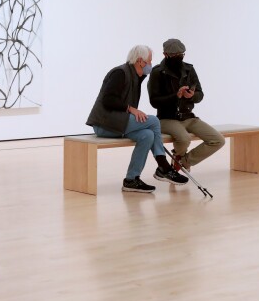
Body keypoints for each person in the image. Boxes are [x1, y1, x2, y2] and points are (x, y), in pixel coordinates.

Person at [86, 45, 188, 193]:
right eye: (150, 61)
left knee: (147, 135)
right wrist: (131, 109)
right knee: (153, 121)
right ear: (141, 61)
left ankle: (131, 179)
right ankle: (163, 166)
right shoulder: (120, 73)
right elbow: (108, 100)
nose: (151, 65)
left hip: (118, 124)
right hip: (105, 124)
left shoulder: (136, 76)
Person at [147, 38, 225, 171]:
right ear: (165, 54)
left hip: (189, 117)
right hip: (167, 118)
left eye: (181, 55)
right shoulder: (157, 72)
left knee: (218, 140)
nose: (178, 57)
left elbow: (200, 94)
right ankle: (178, 160)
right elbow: (154, 101)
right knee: (184, 139)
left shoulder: (189, 69)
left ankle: (182, 161)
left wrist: (192, 96)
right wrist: (175, 96)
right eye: (174, 55)